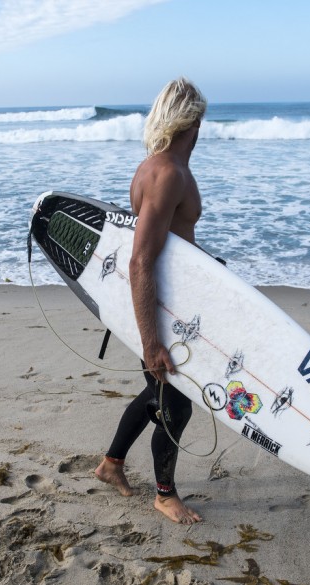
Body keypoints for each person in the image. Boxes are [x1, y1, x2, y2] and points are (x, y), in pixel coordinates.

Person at [94, 77, 207, 524]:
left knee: (155, 391)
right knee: (175, 403)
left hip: (169, 303)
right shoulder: (167, 173)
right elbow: (140, 261)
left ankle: (111, 465)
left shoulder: (153, 167)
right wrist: (151, 340)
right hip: (159, 307)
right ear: (194, 119)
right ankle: (164, 495)